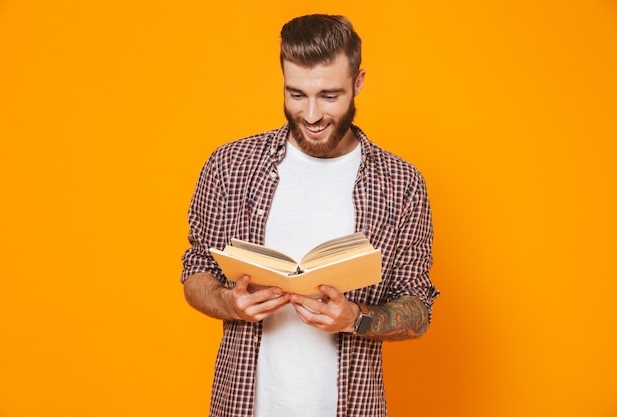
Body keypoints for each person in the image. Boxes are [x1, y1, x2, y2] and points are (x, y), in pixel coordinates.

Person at [181, 14, 439, 417]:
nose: (313, 116)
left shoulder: (400, 184)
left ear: (358, 83)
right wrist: (228, 303)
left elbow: (418, 310)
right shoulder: (229, 166)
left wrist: (356, 318)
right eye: (296, 95)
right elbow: (196, 269)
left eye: (330, 96)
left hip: (353, 407)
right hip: (242, 406)